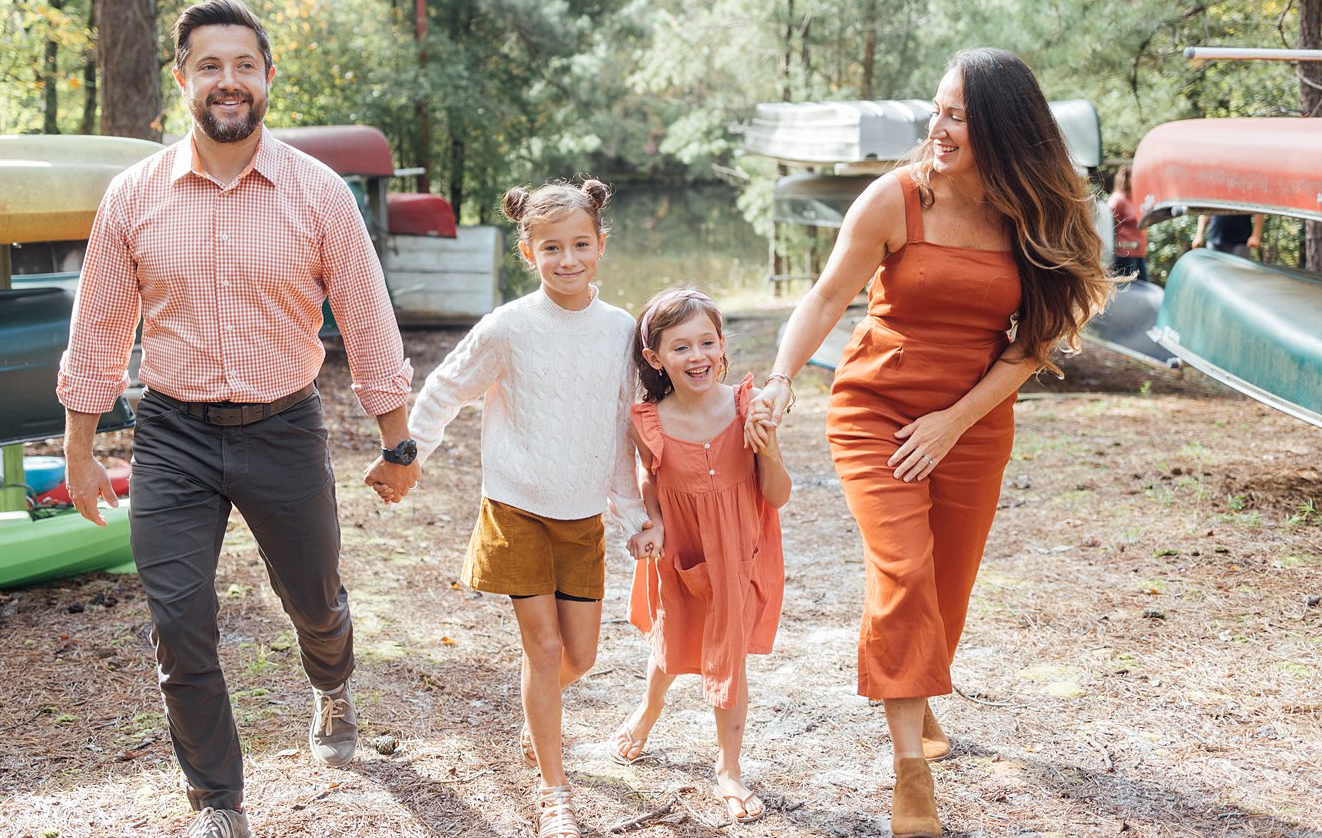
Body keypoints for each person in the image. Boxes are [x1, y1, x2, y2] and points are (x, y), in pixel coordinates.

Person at [57, 0, 420, 838]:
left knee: (316, 601)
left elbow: (368, 321)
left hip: (284, 428)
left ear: (267, 78)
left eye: (244, 65)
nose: (229, 81)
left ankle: (332, 687)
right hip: (173, 434)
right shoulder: (133, 196)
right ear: (181, 78)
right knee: (178, 622)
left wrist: (396, 440)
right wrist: (81, 448)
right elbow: (100, 326)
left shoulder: (319, 193)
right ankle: (217, 803)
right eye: (210, 66)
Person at [746, 47, 1112, 838]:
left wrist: (954, 422)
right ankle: (910, 771)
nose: (935, 127)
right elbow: (825, 296)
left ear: (1005, 129)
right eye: (935, 110)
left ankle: (920, 687)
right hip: (875, 410)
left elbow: (1031, 344)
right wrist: (780, 379)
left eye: (956, 115)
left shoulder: (1035, 213)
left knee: (947, 585)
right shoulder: (895, 199)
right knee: (904, 572)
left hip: (972, 422)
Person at [379, 180, 645, 838]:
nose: (568, 259)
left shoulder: (621, 332)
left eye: (581, 244)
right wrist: (407, 457)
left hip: (582, 517)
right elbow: (442, 392)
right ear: (528, 252)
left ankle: (538, 716)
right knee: (547, 650)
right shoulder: (509, 328)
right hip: (516, 509)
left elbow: (624, 430)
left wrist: (635, 514)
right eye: (551, 247)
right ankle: (555, 792)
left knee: (577, 657)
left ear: (601, 245)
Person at [610, 287, 790, 824]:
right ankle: (649, 708)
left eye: (706, 342)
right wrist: (653, 524)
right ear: (655, 358)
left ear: (722, 344)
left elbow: (778, 495)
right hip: (682, 552)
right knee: (675, 638)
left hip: (740, 551)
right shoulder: (649, 421)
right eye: (681, 347)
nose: (698, 357)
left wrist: (768, 446)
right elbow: (649, 481)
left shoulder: (747, 407)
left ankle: (728, 769)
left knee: (727, 653)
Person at [1107, 166, 1148, 281]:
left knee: (1143, 290)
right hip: (1125, 255)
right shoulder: (1117, 200)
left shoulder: (1134, 198)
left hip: (1138, 253)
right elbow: (1108, 227)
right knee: (1127, 291)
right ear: (1126, 179)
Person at [1193, 212, 1265, 258]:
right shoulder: (1215, 189)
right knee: (1214, 273)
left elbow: (1258, 212)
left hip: (1240, 242)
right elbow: (1205, 212)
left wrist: (1256, 236)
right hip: (1215, 240)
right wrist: (1198, 235)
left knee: (1238, 275)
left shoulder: (1247, 190)